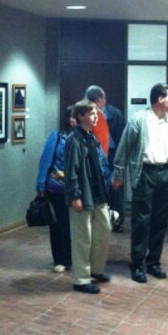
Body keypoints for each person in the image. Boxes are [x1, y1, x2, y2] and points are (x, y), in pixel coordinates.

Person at [112, 83, 168, 283]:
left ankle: (153, 262)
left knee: (161, 222)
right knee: (141, 221)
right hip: (145, 173)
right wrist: (118, 174)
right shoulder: (139, 120)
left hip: (167, 173)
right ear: (160, 99)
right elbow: (124, 148)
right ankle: (137, 265)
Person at [64, 99, 113, 294]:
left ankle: (96, 269)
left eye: (96, 114)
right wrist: (74, 195)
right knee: (83, 238)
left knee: (103, 230)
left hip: (98, 193)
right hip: (82, 194)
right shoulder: (74, 140)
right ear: (80, 116)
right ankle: (81, 278)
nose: (95, 117)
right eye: (91, 114)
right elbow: (71, 170)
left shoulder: (91, 137)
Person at [35, 106, 75, 273]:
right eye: (71, 117)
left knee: (74, 225)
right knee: (58, 224)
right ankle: (60, 259)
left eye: (76, 116)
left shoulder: (86, 137)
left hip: (77, 188)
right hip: (57, 188)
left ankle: (73, 257)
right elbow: (46, 160)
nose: (73, 120)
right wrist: (40, 184)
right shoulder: (57, 137)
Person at [85, 85, 126, 232]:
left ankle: (118, 220)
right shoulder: (85, 114)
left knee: (115, 187)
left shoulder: (115, 114)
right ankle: (102, 219)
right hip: (94, 155)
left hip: (113, 155)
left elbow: (122, 137)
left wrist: (121, 158)